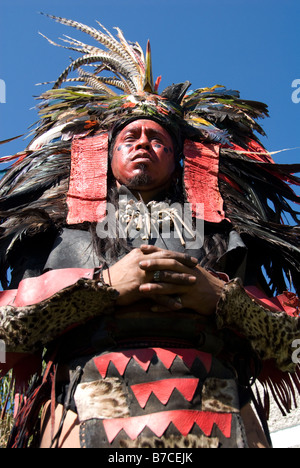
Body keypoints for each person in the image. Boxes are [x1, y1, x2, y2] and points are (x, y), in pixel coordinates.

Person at [0, 15, 300, 449]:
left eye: (158, 139)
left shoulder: (225, 235)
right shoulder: (55, 232)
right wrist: (102, 289)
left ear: (181, 160)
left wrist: (218, 297)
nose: (143, 142)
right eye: (130, 136)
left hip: (221, 409)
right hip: (81, 408)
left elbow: (289, 345)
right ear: (103, 155)